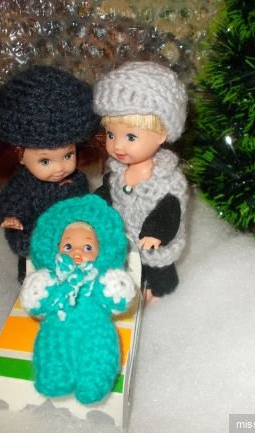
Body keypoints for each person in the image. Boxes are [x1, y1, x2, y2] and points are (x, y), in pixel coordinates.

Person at [0, 65, 101, 283]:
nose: (60, 168)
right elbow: (9, 201)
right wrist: (11, 217)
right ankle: (26, 274)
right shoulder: (23, 185)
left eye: (68, 155)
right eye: (45, 161)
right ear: (19, 155)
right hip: (34, 231)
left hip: (67, 235)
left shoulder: (76, 179)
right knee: (31, 257)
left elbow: (81, 202)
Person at [20, 194, 136, 405]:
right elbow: (35, 305)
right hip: (57, 327)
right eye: (68, 246)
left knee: (99, 352)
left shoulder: (99, 278)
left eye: (88, 247)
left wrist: (115, 284)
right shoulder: (53, 279)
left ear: (101, 250)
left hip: (96, 328)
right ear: (55, 247)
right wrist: (39, 288)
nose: (77, 253)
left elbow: (118, 301)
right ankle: (55, 373)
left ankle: (95, 377)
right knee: (53, 351)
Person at [93, 61, 189, 302]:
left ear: (162, 134)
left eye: (131, 137)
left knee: (160, 278)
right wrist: (92, 207)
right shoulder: (116, 172)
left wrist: (156, 232)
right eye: (111, 134)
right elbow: (107, 194)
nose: (117, 145)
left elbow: (170, 210)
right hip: (123, 243)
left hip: (154, 247)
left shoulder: (167, 181)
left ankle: (160, 291)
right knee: (125, 273)